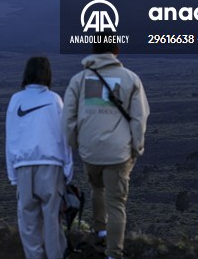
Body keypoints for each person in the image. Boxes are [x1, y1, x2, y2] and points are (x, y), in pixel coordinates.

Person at [63, 41, 149, 259]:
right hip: (118, 153)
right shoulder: (130, 78)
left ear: (93, 51)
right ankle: (113, 253)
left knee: (97, 188)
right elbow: (139, 118)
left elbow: (68, 118)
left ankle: (100, 230)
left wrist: (74, 143)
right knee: (116, 203)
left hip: (90, 151)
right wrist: (137, 147)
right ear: (116, 51)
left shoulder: (79, 80)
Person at [6, 56, 73, 259]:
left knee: (28, 221)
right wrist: (68, 168)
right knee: (53, 220)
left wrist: (12, 173)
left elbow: (11, 136)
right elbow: (64, 137)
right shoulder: (54, 100)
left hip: (23, 166)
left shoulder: (16, 100)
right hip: (51, 166)